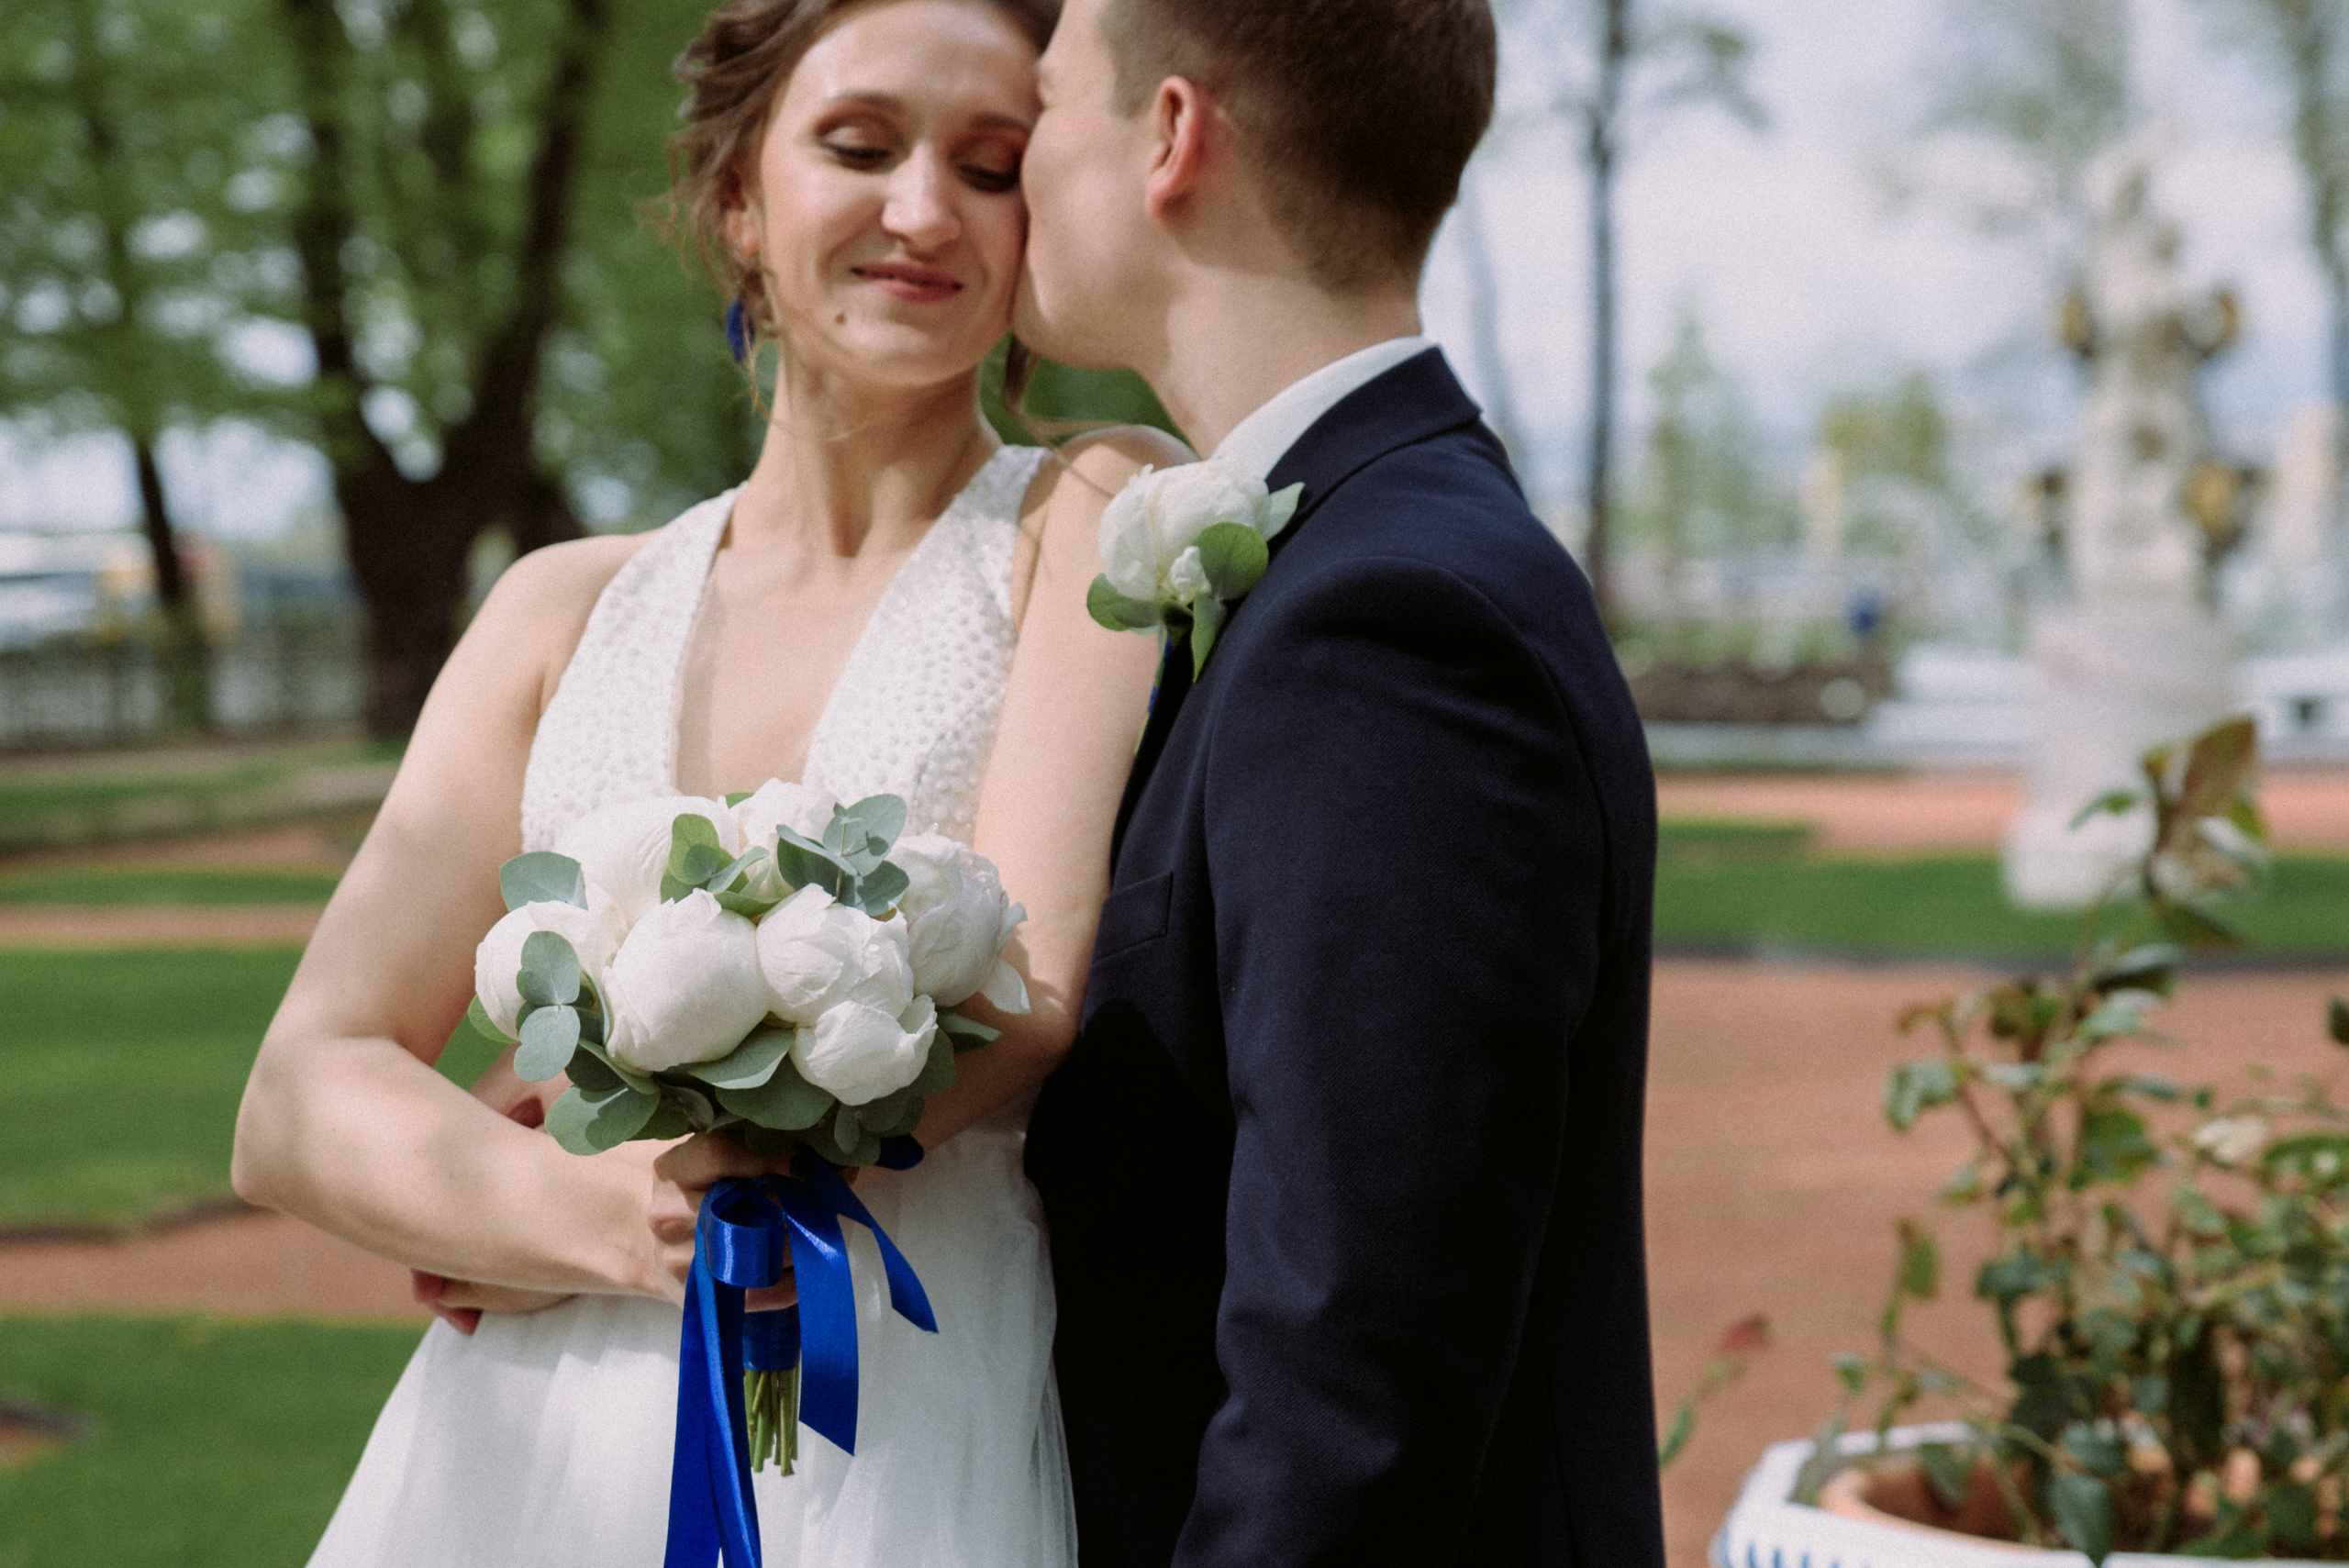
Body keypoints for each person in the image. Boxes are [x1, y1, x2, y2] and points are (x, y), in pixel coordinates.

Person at [229, 0, 1178, 1562]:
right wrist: (601, 1215)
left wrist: (604, 1125)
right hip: (534, 1424)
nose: (923, 211)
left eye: (991, 166)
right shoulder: (557, 607)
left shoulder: (1090, 508)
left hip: (895, 1392)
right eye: (859, 146)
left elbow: (1032, 991)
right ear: (738, 199)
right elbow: (297, 1091)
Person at [1013, 1, 1668, 1564]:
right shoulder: (1352, 552)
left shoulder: (1388, 620)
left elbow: (1352, 1390)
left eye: (1044, 101)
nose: (1014, 160)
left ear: (1170, 136)